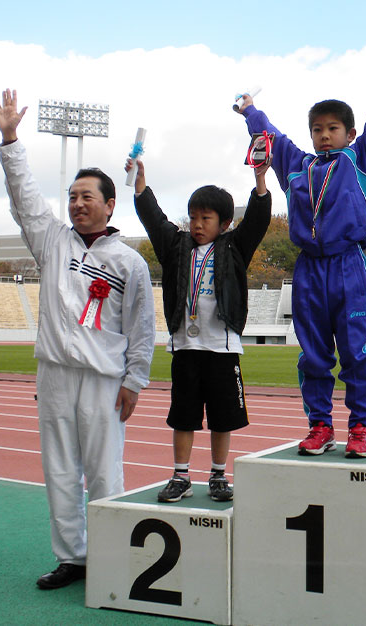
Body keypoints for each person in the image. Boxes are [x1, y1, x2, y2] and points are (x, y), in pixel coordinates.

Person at [0, 89, 156, 588]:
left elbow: (142, 327)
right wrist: (10, 140)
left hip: (105, 380)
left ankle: (112, 555)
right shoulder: (51, 241)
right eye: (72, 196)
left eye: (88, 197)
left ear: (110, 205)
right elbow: (24, 198)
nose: (77, 203)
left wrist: (135, 380)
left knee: (105, 472)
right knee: (60, 473)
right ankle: (73, 558)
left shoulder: (128, 262)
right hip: (55, 375)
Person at [234, 43, 366, 458]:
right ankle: (319, 425)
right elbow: (272, 138)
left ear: (349, 134)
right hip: (309, 272)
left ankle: (360, 428)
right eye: (317, 128)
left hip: (350, 266)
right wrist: (249, 111)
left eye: (333, 128)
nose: (324, 134)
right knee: (313, 355)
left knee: (356, 352)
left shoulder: (364, 158)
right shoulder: (298, 168)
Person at [129, 152, 271, 502]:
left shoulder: (235, 247)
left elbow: (256, 221)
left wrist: (260, 181)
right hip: (185, 347)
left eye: (205, 218)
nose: (196, 224)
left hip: (222, 348)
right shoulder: (176, 247)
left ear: (224, 223)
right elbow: (153, 218)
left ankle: (219, 475)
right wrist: (140, 183)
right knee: (184, 417)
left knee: (222, 419)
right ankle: (181, 475)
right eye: (192, 217)